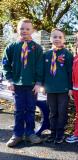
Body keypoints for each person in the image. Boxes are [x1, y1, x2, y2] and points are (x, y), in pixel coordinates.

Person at [2, 18, 43, 147]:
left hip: (31, 85)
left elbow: (40, 67)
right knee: (19, 110)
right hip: (17, 85)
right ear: (17, 30)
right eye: (21, 28)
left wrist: (38, 82)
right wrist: (9, 80)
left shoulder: (37, 48)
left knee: (31, 109)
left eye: (27, 29)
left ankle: (30, 133)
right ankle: (17, 135)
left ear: (33, 30)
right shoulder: (11, 47)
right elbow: (5, 64)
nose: (24, 31)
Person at [43, 28, 73, 144]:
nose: (57, 39)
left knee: (62, 112)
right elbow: (44, 72)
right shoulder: (46, 54)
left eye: (60, 37)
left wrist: (70, 87)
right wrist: (43, 86)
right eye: (55, 37)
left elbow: (71, 72)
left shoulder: (68, 54)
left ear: (64, 39)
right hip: (50, 89)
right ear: (51, 39)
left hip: (63, 89)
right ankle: (53, 132)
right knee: (52, 112)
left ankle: (60, 133)